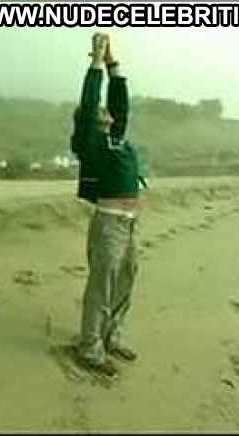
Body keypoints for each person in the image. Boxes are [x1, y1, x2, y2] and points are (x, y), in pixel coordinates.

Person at [71, 33, 148, 379]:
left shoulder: (117, 137)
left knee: (126, 279)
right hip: (110, 222)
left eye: (108, 113)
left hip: (131, 222)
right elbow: (90, 103)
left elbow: (120, 103)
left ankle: (110, 336)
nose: (106, 113)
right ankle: (90, 347)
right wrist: (96, 63)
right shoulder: (89, 142)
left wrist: (114, 62)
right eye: (100, 113)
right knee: (102, 284)